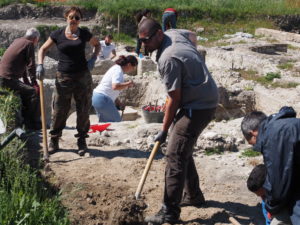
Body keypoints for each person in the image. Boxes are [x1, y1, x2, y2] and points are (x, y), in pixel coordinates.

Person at [138, 19, 219, 224]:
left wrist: (164, 130)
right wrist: (192, 63)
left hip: (198, 107)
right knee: (181, 146)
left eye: (146, 41)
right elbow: (192, 35)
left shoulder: (168, 58)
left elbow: (175, 99)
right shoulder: (174, 34)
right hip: (203, 97)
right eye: (141, 41)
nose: (143, 46)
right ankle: (193, 195)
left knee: (174, 153)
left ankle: (169, 212)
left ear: (158, 34)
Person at [37, 6, 100, 156]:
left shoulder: (84, 34)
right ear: (66, 17)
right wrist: (40, 64)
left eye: (77, 18)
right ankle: (54, 139)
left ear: (80, 20)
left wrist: (93, 58)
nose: (74, 20)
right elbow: (42, 49)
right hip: (63, 76)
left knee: (83, 109)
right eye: (71, 17)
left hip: (82, 76)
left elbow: (97, 45)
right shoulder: (57, 34)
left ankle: (82, 141)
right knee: (59, 110)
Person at [241, 106, 300, 225]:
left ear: (252, 133)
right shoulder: (286, 126)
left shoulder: (274, 135)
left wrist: (271, 208)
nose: (256, 148)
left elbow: (279, 182)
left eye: (252, 144)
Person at [0, 28, 41, 131]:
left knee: (26, 90)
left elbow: (21, 63)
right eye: (38, 40)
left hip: (3, 78)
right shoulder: (29, 44)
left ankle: (26, 121)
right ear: (35, 39)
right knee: (33, 93)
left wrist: (26, 81)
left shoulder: (17, 41)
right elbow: (31, 65)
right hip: (7, 80)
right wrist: (34, 83)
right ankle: (32, 124)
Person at [92, 55, 137, 122]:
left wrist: (118, 102)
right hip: (103, 98)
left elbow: (109, 88)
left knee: (106, 123)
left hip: (98, 97)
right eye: (133, 67)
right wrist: (128, 83)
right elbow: (115, 86)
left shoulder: (117, 69)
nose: (133, 69)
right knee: (117, 122)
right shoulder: (118, 70)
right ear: (129, 64)